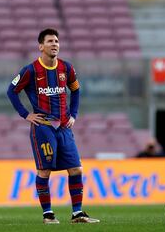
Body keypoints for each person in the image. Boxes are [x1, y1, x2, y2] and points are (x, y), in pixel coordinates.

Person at [7, 28, 99, 224]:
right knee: (44, 171)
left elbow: (76, 90)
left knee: (76, 169)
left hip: (64, 127)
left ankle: (77, 213)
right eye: (50, 41)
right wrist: (26, 115)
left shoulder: (67, 68)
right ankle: (48, 214)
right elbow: (11, 91)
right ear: (41, 46)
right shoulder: (30, 70)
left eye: (56, 41)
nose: (54, 44)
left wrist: (74, 114)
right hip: (44, 127)